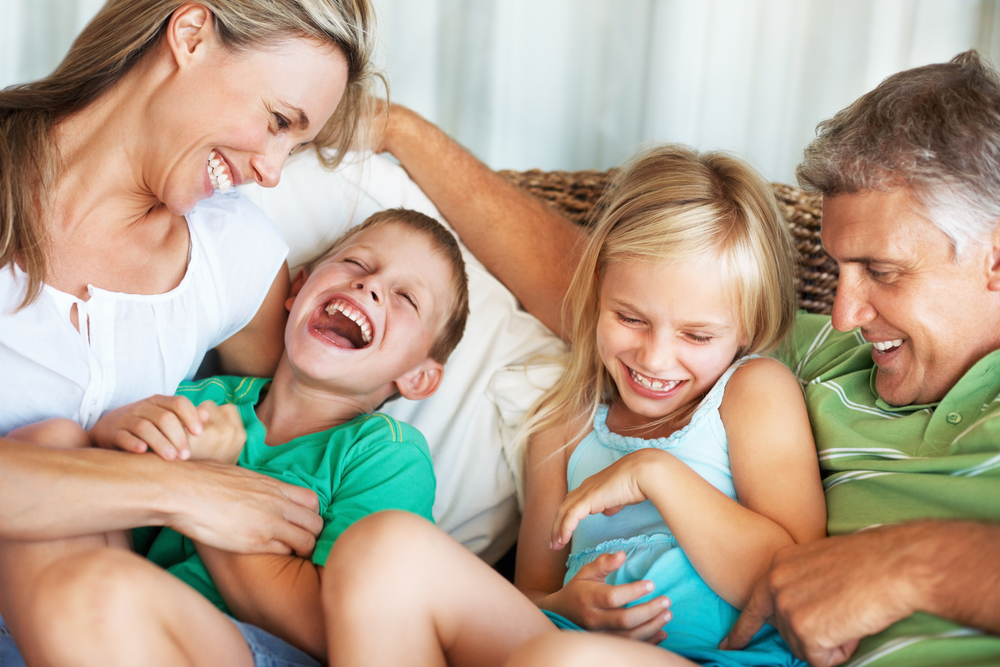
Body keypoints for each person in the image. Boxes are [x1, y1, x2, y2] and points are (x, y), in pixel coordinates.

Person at [331, 50, 1000, 666]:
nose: (844, 313)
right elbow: (612, 283)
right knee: (380, 550)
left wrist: (916, 563)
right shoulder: (825, 350)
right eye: (838, 270)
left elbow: (781, 565)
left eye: (882, 271)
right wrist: (397, 130)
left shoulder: (752, 383)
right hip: (581, 640)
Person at [321, 145, 827, 666]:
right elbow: (531, 597)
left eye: (697, 335)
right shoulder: (564, 426)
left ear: (748, 325)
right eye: (630, 318)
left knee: (563, 661)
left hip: (714, 660)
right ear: (596, 292)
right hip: (561, 646)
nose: (654, 357)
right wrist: (564, 605)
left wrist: (655, 472)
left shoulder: (751, 393)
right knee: (379, 546)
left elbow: (801, 586)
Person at [0, 0, 380, 664]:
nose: (271, 170)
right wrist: (181, 491)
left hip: (135, 625)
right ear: (192, 34)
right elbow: (215, 495)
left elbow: (292, 445)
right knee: (57, 443)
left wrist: (196, 443)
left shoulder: (234, 254)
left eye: (296, 143)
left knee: (57, 450)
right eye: (277, 121)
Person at [14, 208, 470, 664]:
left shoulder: (386, 454)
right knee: (51, 439)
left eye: (407, 298)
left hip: (257, 650)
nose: (369, 285)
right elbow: (113, 506)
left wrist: (211, 480)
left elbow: (331, 632)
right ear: (298, 290)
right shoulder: (203, 398)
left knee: (101, 592)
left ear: (419, 379)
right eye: (356, 264)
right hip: (123, 618)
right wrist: (111, 434)